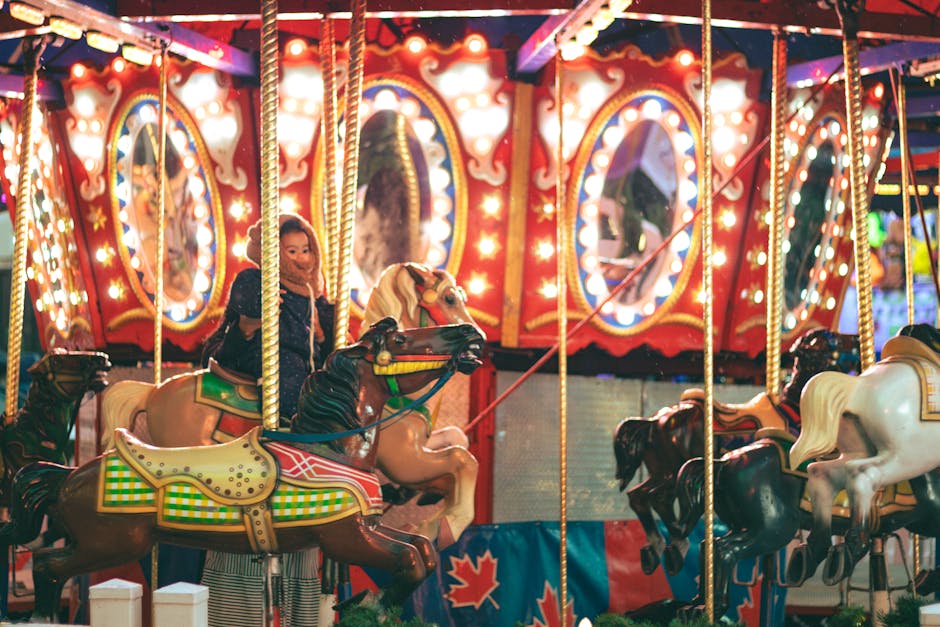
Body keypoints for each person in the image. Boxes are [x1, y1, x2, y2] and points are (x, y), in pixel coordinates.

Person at [199, 211, 334, 627]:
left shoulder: (318, 296)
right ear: (270, 252)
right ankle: (293, 433)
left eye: (305, 248)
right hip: (267, 367)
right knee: (298, 389)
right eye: (289, 250)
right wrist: (253, 316)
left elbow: (330, 343)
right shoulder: (256, 281)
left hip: (308, 371)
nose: (299, 257)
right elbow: (235, 319)